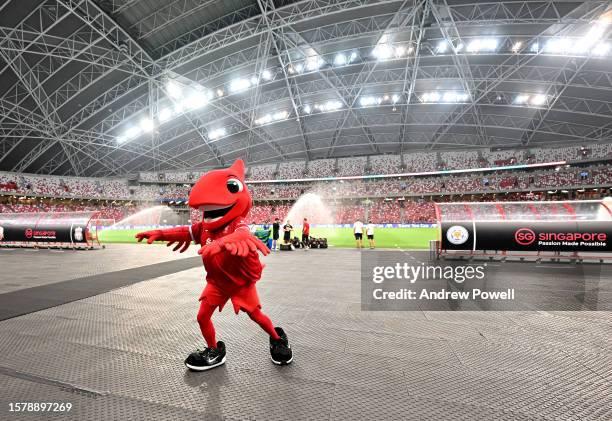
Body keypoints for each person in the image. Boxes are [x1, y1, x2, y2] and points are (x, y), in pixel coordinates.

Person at [135, 159, 292, 371]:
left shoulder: (238, 223)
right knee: (201, 317)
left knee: (256, 316)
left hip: (240, 284)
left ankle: (277, 338)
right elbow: (186, 232)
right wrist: (161, 233)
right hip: (217, 283)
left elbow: (242, 235)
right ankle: (214, 350)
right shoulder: (205, 227)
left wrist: (222, 243)